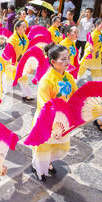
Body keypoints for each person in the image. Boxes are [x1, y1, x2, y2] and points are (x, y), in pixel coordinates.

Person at [30, 44, 78, 182]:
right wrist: (54, 126)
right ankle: (39, 169)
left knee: (62, 147)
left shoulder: (68, 77)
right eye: (63, 59)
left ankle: (47, 162)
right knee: (43, 148)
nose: (67, 62)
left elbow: (76, 96)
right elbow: (44, 105)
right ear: (53, 61)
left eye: (68, 58)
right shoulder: (46, 80)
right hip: (47, 120)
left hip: (63, 120)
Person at [8, 20, 32, 101]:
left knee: (23, 76)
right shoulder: (13, 38)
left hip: (22, 61)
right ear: (17, 28)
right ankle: (5, 88)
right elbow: (9, 49)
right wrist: (14, 58)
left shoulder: (25, 37)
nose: (25, 28)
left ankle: (27, 94)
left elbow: (27, 47)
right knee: (9, 76)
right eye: (23, 27)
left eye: (25, 26)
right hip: (13, 61)